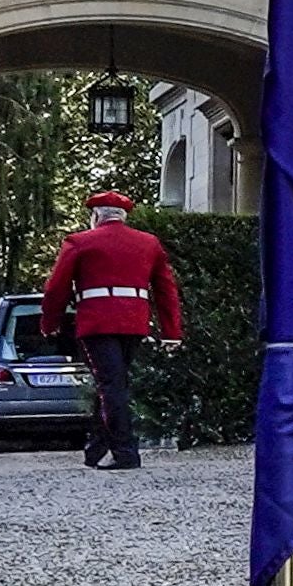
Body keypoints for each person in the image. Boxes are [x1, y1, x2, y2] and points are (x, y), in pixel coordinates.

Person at [40, 190, 183, 471]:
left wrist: (50, 323)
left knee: (110, 385)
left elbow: (56, 288)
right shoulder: (148, 243)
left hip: (97, 322)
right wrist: (171, 331)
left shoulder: (79, 242)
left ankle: (125, 451)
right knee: (114, 383)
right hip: (134, 322)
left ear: (96, 216)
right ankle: (96, 447)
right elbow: (166, 289)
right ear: (123, 216)